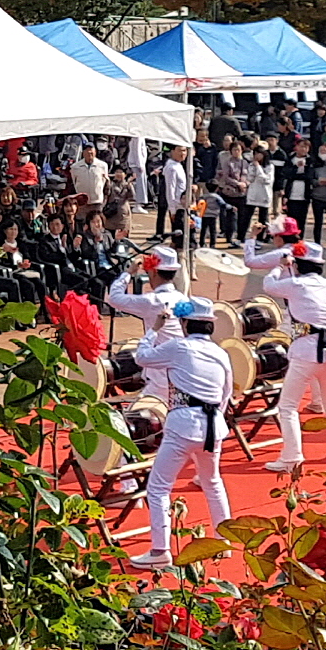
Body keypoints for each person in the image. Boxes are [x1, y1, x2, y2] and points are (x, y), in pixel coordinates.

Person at [127, 296, 236, 570]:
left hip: (183, 425)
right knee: (213, 482)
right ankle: (223, 541)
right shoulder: (221, 353)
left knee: (159, 486)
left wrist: (153, 328)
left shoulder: (179, 347)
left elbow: (142, 357)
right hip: (213, 426)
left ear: (186, 323)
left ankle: (160, 550)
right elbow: (226, 395)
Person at [261, 241, 326, 471]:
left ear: (299, 264)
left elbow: (268, 285)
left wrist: (280, 267)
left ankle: (292, 457)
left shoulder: (296, 284)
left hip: (306, 350)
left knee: (288, 406)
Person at [106, 244, 186, 400]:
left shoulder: (152, 301)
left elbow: (114, 298)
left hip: (162, 373)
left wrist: (128, 273)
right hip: (182, 367)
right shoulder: (182, 298)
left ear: (154, 271)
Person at [244, 148, 276, 227]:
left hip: (264, 194)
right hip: (253, 194)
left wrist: (258, 167)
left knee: (263, 218)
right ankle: (242, 237)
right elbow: (250, 179)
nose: (257, 156)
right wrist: (253, 168)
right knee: (246, 217)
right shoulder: (251, 165)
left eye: (259, 154)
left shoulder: (270, 166)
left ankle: (261, 237)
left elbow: (265, 179)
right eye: (255, 154)